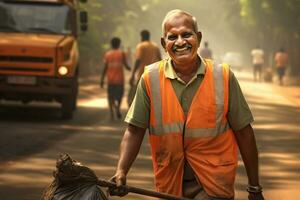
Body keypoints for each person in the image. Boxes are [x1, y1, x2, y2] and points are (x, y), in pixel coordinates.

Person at [109, 10, 264, 200]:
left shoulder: (222, 76)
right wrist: (121, 171)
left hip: (214, 185)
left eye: (186, 34)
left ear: (198, 38)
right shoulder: (150, 78)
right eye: (172, 37)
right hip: (169, 185)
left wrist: (254, 186)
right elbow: (134, 131)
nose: (180, 42)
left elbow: (244, 132)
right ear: (164, 44)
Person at [127, 30, 161, 107]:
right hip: (154, 76)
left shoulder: (141, 46)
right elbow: (160, 61)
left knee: (136, 96)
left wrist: (132, 74)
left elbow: (138, 60)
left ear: (141, 36)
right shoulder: (155, 46)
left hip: (143, 75)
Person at [100, 37, 130, 120]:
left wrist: (102, 80)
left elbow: (105, 68)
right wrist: (130, 69)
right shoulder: (122, 53)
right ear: (119, 44)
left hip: (110, 79)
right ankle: (117, 108)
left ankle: (112, 112)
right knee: (119, 96)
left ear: (111, 44)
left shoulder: (107, 54)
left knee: (110, 96)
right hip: (120, 79)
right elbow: (126, 65)